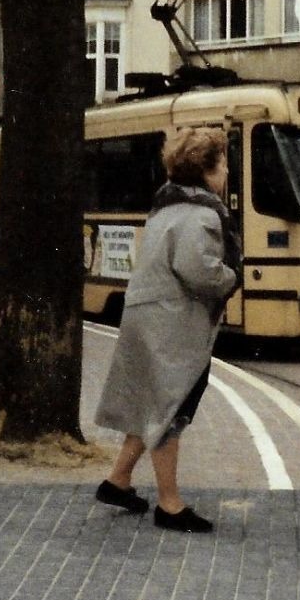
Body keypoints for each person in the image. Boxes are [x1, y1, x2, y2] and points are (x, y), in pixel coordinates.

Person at [93, 126, 242, 532]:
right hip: (171, 324)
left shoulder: (166, 207)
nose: (227, 169)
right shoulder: (201, 214)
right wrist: (230, 277)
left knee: (153, 403)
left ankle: (118, 480)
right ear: (207, 169)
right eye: (223, 161)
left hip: (149, 316)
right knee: (169, 408)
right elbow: (199, 271)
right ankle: (170, 505)